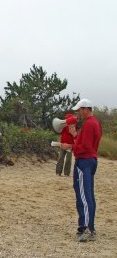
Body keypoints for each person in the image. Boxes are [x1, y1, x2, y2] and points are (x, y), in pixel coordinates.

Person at [61, 99, 102, 242]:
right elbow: (87, 143)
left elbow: (84, 147)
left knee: (84, 196)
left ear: (86, 109)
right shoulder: (95, 123)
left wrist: (70, 146)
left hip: (84, 161)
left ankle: (86, 229)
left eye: (79, 110)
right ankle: (88, 227)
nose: (78, 113)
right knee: (88, 194)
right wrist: (74, 136)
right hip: (90, 160)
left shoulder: (89, 124)